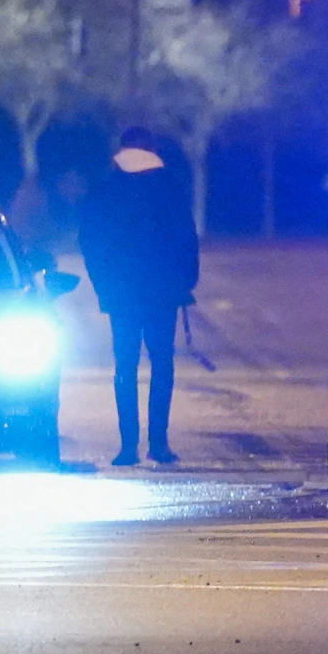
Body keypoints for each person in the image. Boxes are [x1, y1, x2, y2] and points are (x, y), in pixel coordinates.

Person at [79, 128, 199, 467]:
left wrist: (103, 283)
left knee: (125, 367)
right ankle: (158, 444)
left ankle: (127, 446)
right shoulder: (169, 188)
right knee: (162, 366)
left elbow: (90, 239)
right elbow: (186, 238)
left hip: (123, 294)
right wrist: (185, 281)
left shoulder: (106, 190)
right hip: (162, 293)